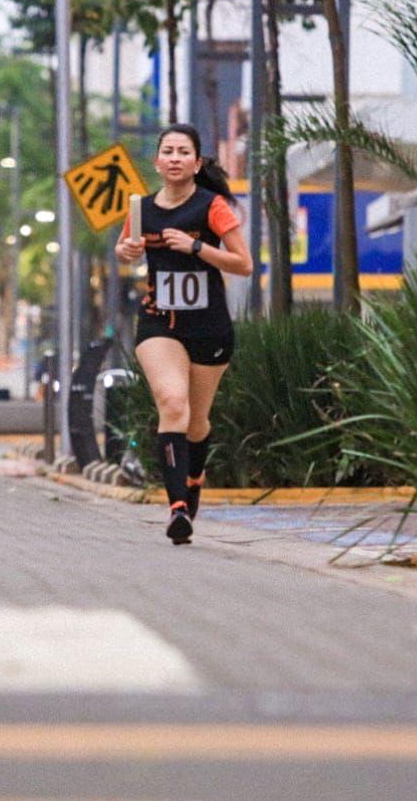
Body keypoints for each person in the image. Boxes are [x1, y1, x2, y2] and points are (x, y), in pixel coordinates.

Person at [115, 124, 252, 545]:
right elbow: (125, 250)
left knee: (196, 421)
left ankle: (194, 479)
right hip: (159, 321)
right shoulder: (141, 208)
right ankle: (177, 508)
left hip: (208, 325)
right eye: (168, 151)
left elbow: (244, 264)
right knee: (173, 403)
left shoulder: (212, 206)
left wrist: (196, 248)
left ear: (197, 162)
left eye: (183, 152)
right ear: (157, 161)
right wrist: (126, 251)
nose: (175, 158)